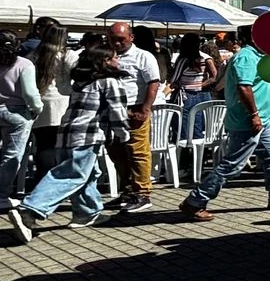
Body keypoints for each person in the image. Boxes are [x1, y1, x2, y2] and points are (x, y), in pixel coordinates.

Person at [7, 46, 131, 242]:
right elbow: (118, 111)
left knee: (88, 173)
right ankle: (30, 210)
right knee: (71, 174)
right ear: (106, 61)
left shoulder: (82, 81)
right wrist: (123, 135)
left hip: (66, 132)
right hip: (86, 135)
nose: (118, 61)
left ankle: (88, 212)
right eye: (115, 58)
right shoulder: (109, 81)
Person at [179, 25, 270, 221]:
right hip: (248, 120)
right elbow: (243, 87)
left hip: (261, 120)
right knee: (233, 165)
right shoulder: (246, 57)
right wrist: (253, 113)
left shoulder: (259, 56)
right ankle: (195, 201)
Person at [106, 23, 161, 213]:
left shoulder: (143, 57)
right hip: (113, 110)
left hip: (135, 108)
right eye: (113, 39)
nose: (117, 43)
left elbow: (154, 83)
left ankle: (143, 193)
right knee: (117, 152)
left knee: (138, 152)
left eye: (121, 39)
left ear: (131, 37)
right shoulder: (107, 55)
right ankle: (128, 190)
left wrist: (145, 109)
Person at [31, 26, 80, 182]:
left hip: (41, 102)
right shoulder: (67, 55)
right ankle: (54, 181)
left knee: (43, 146)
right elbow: (78, 73)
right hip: (61, 102)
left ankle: (41, 179)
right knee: (59, 146)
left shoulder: (35, 55)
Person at [0, 32, 43, 206]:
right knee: (11, 155)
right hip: (16, 113)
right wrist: (37, 109)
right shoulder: (24, 64)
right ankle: (2, 195)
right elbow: (30, 93)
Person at [168, 33, 219, 140]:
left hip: (187, 95)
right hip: (204, 95)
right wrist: (202, 84)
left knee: (184, 125)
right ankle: (200, 151)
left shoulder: (183, 59)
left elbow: (174, 79)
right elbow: (215, 76)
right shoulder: (206, 58)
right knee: (199, 124)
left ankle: (185, 151)